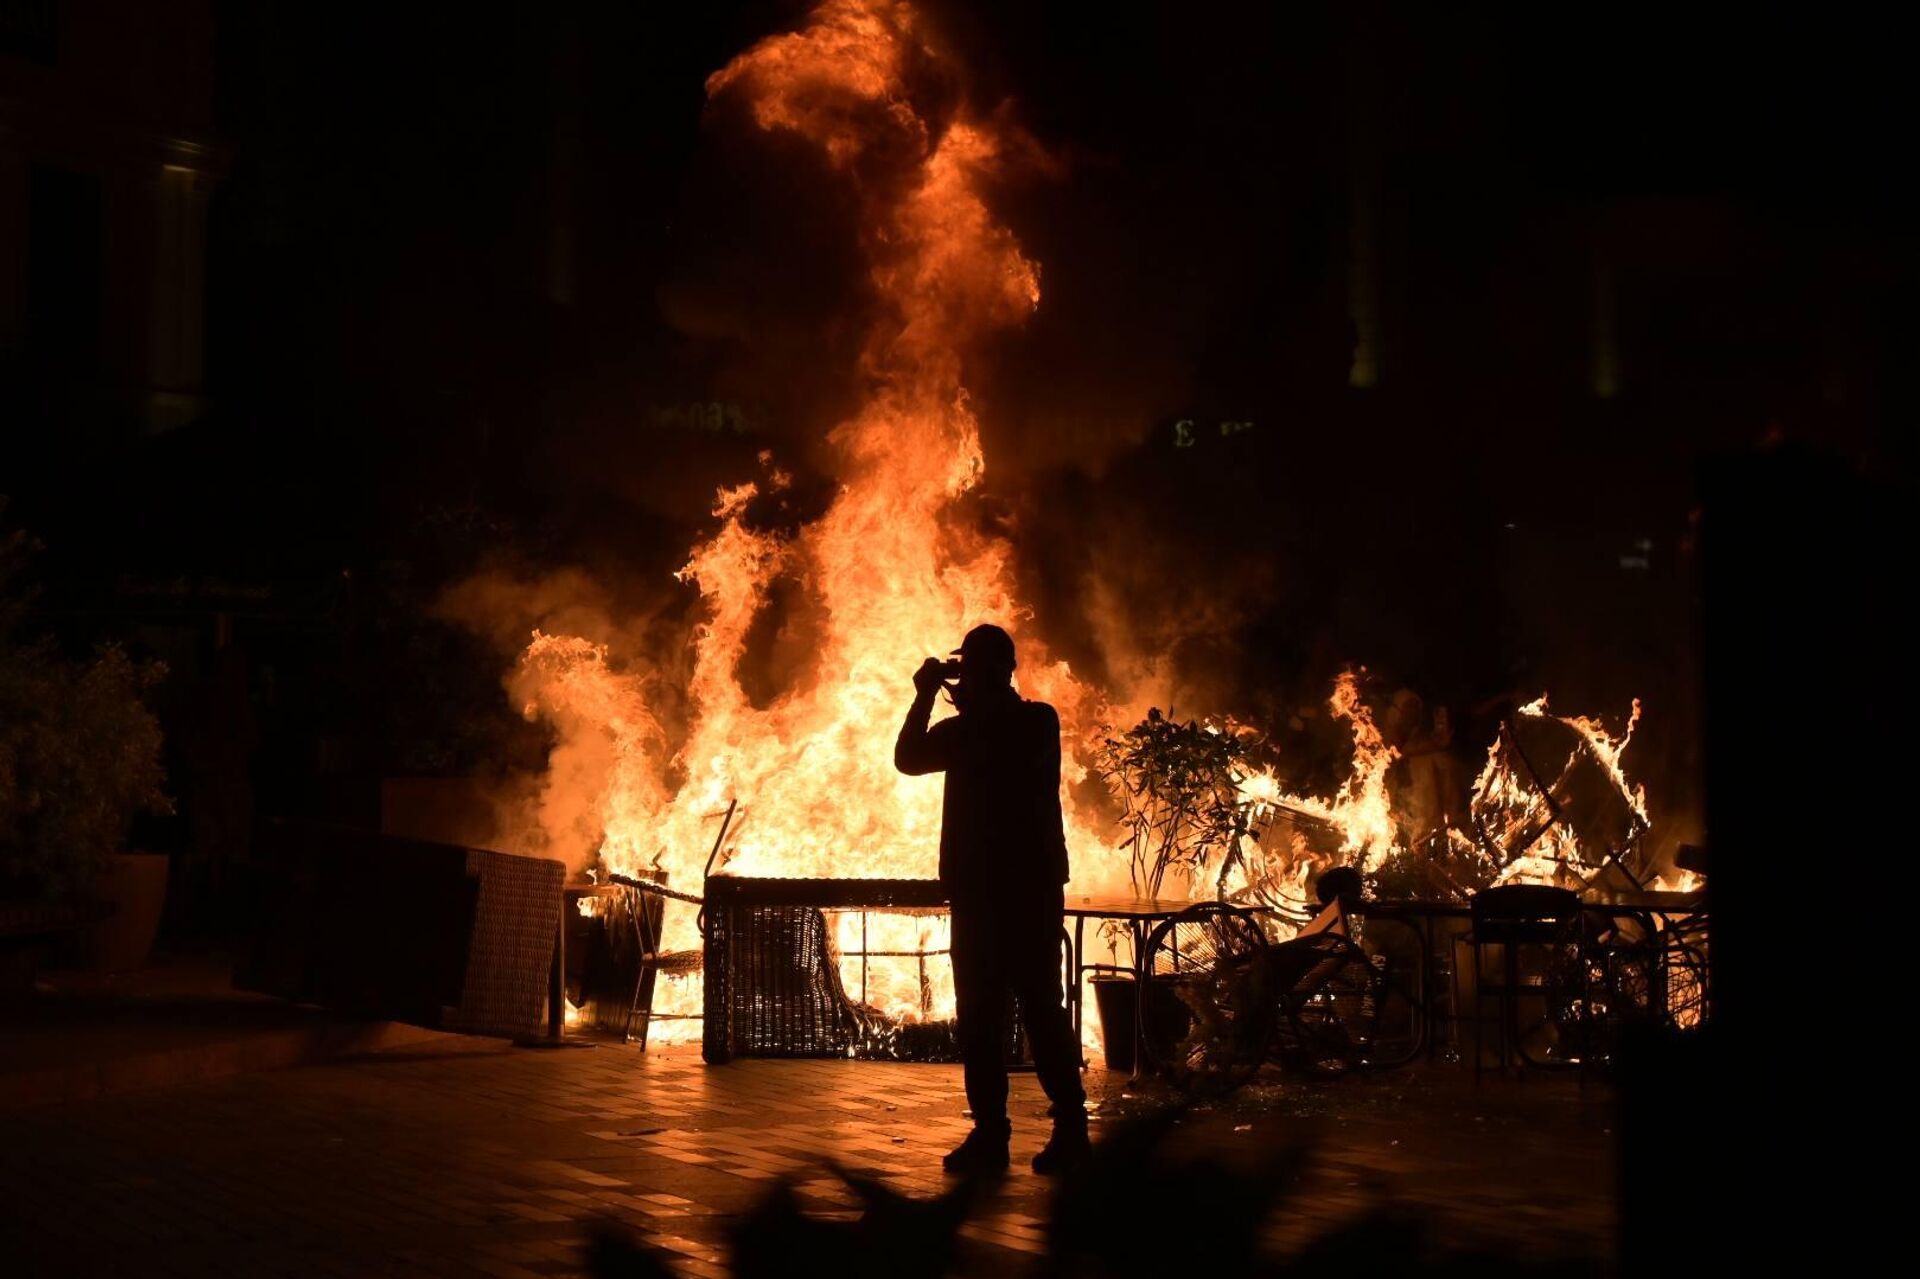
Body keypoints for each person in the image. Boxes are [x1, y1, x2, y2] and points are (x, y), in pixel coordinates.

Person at [895, 623, 1089, 1176]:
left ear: (991, 672)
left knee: (1008, 1013)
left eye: (973, 668)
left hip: (1000, 893)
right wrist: (944, 691)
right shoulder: (1028, 722)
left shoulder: (1002, 725)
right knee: (1014, 1013)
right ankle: (1037, 1130)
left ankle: (1022, 1131)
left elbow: (912, 755)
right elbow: (912, 758)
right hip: (1015, 891)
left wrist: (929, 692)